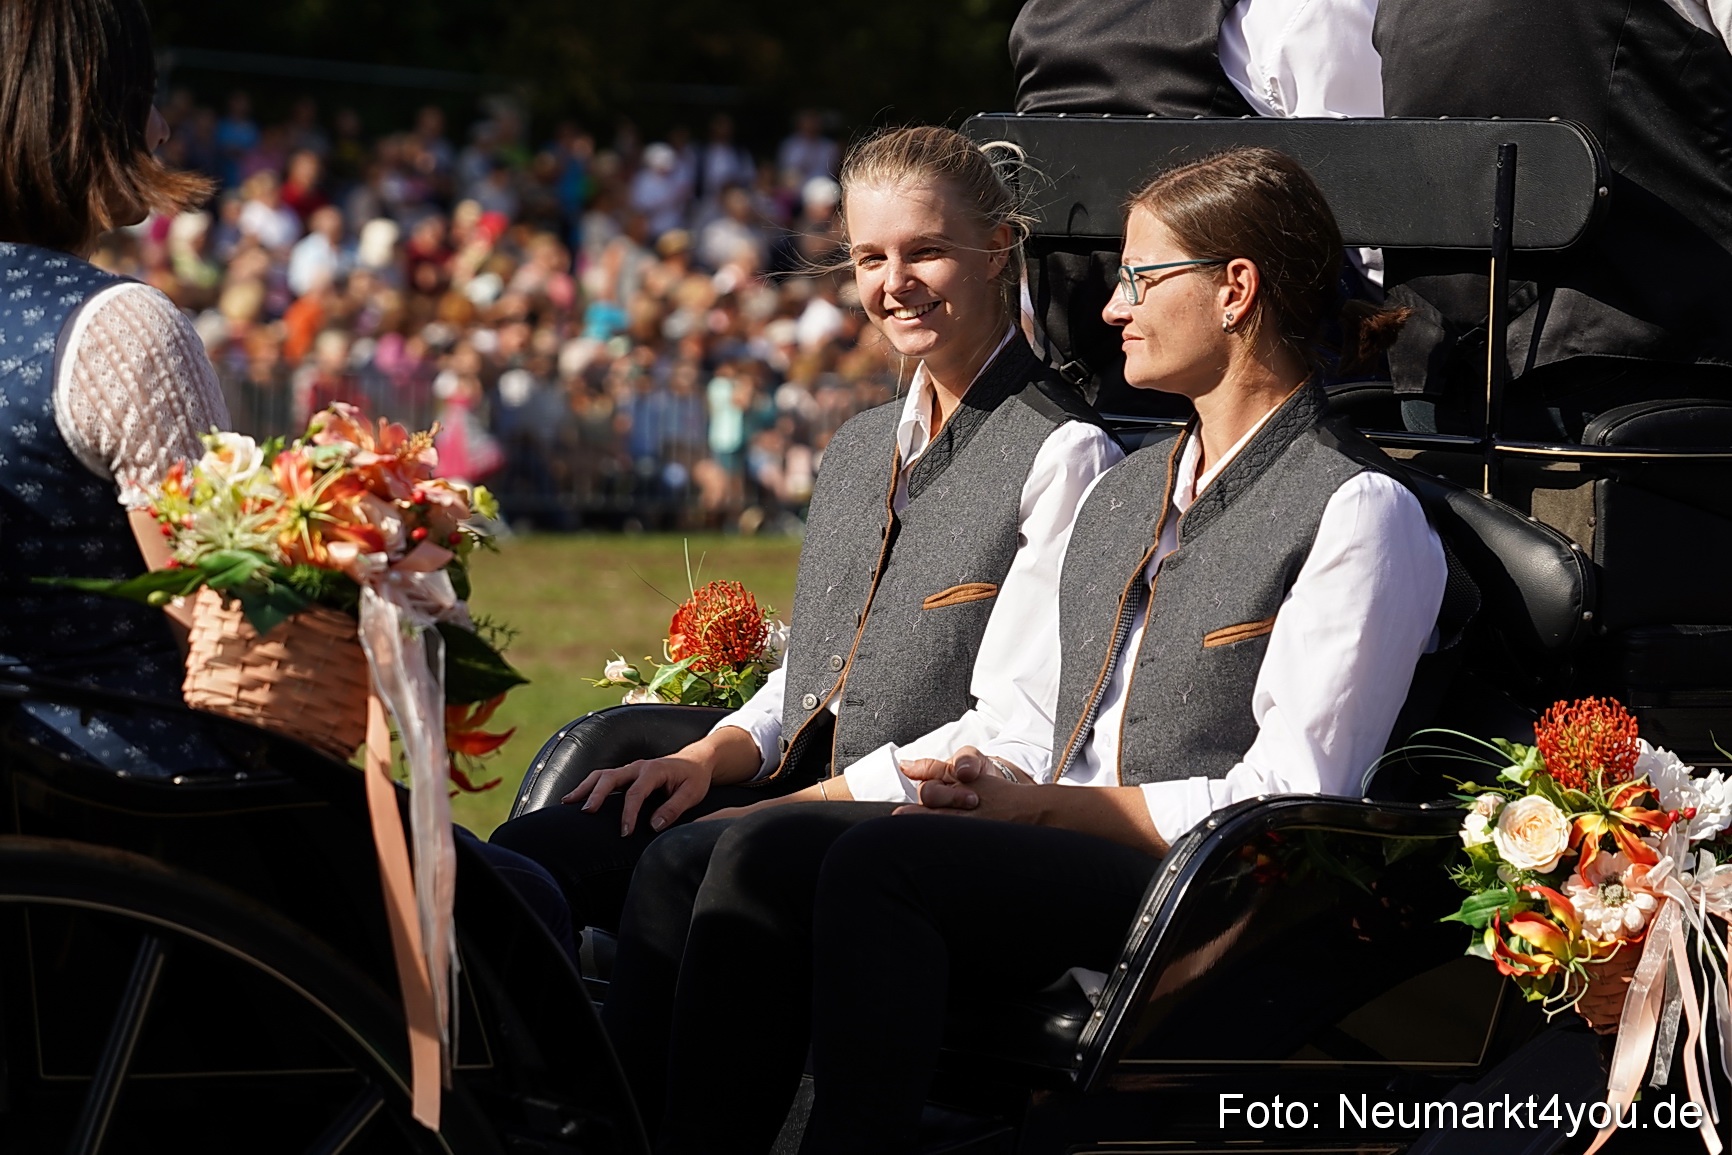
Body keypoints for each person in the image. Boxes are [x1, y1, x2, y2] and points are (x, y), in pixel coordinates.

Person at [618, 147, 1446, 1155]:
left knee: (881, 864)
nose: (1111, 308)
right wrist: (981, 781)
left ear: (1235, 290)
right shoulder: (1132, 489)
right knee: (761, 850)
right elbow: (1043, 719)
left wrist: (1039, 807)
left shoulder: (1360, 509)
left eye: (1141, 278)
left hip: (1199, 890)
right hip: (1058, 844)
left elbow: (1290, 799)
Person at [490, 126, 1122, 946]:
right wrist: (709, 754)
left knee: (686, 863)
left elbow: (1011, 730)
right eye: (870, 258)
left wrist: (793, 808)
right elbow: (818, 665)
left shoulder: (1065, 451)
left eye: (926, 251)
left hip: (913, 825)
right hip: (798, 792)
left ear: (998, 248)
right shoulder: (861, 445)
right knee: (527, 857)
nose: (895, 283)